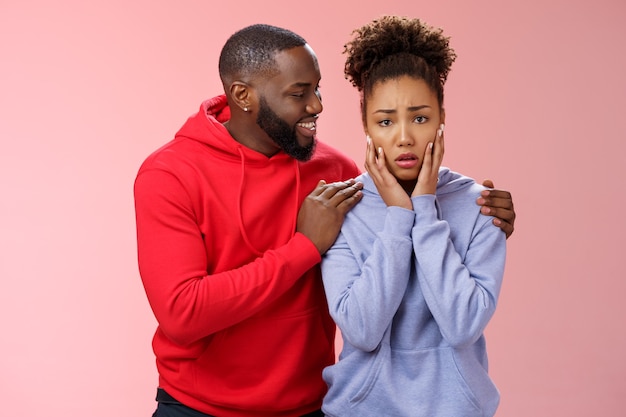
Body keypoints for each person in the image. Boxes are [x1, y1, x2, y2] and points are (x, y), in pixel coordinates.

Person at [133, 23, 515, 417]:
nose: (316, 106)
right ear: (243, 95)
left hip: (308, 407)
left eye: (317, 89)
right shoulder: (170, 174)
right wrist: (304, 247)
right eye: (299, 94)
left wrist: (482, 215)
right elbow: (182, 313)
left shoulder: (335, 173)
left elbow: (414, 242)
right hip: (198, 408)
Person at [320, 16, 507, 417]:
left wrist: (424, 206)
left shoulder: (480, 205)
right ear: (366, 127)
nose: (403, 136)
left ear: (442, 118)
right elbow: (363, 330)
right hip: (360, 410)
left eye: (420, 118)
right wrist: (399, 218)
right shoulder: (343, 208)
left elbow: (461, 325)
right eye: (385, 121)